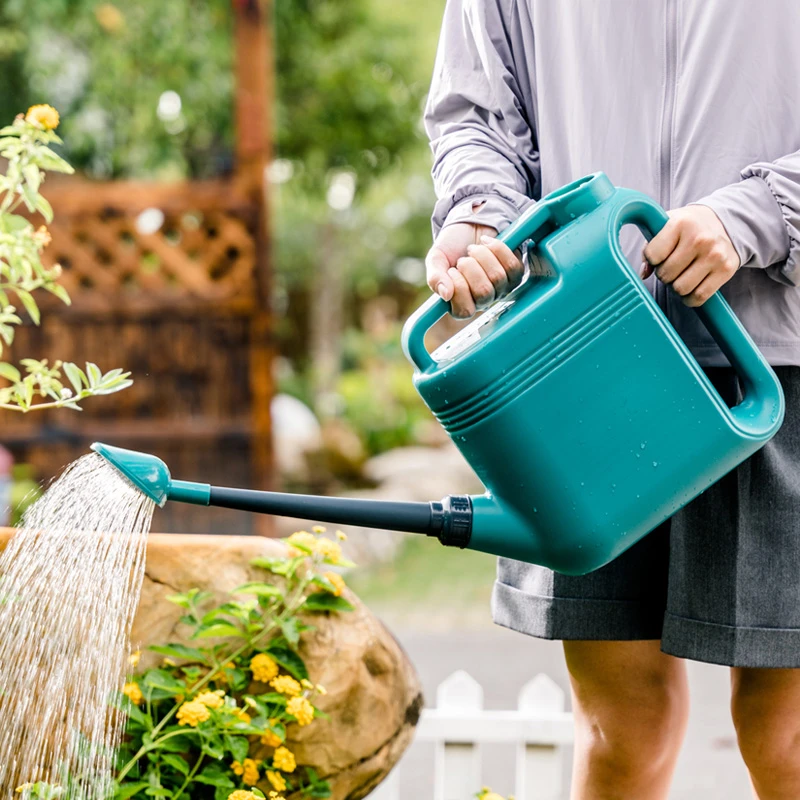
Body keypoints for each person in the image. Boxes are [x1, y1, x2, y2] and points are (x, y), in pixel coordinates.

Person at [423, 3, 800, 799]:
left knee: (789, 735)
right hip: (580, 355)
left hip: (780, 360)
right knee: (617, 724)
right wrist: (481, 213)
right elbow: (476, 109)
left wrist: (760, 213)